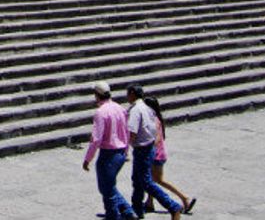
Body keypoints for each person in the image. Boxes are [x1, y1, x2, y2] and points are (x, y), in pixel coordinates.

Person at [126, 85, 182, 219]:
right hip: (149, 147)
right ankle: (137, 209)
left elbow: (132, 132)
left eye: (128, 93)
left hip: (142, 149)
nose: (127, 96)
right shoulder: (147, 108)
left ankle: (173, 206)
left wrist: (125, 149)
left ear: (133, 94)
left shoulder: (136, 110)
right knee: (137, 180)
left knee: (146, 182)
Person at [83, 81, 137, 220]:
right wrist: (126, 151)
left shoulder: (101, 113)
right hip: (120, 152)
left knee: (106, 190)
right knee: (108, 186)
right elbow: (126, 131)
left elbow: (96, 139)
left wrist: (88, 159)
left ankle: (114, 215)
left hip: (108, 154)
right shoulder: (120, 108)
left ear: (97, 95)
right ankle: (128, 211)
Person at [142, 96, 196, 215]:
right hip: (159, 155)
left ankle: (184, 198)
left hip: (156, 156)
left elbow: (156, 139)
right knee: (151, 180)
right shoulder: (156, 118)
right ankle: (149, 202)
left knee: (158, 180)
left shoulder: (154, 120)